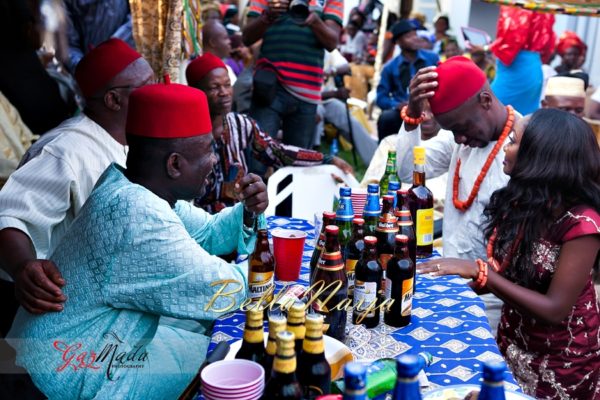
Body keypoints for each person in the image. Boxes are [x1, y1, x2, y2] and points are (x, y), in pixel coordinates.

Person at [8, 81, 267, 399]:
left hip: (70, 348)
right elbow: (225, 289)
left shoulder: (134, 189)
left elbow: (209, 232)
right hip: (55, 375)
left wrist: (249, 212)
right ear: (174, 165)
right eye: (209, 150)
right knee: (222, 360)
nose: (215, 161)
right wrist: (278, 275)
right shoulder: (137, 215)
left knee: (210, 342)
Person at [418, 109, 600, 399]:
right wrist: (450, 286)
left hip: (560, 362)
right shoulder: (527, 203)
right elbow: (507, 272)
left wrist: (483, 274)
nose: (505, 146)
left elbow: (555, 309)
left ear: (540, 157)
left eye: (514, 141)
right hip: (512, 341)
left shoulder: (582, 224)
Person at [0, 39, 154, 335]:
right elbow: (10, 215)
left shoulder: (131, 138)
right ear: (113, 100)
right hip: (67, 319)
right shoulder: (65, 151)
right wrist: (23, 267)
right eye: (146, 85)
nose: (156, 90)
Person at [396, 56, 518, 332]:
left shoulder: (523, 146)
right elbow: (406, 171)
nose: (459, 139)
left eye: (462, 129)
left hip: (494, 302)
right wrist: (413, 115)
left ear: (485, 100)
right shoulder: (460, 142)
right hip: (447, 285)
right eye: (452, 132)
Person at [186, 52, 352, 213]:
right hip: (197, 223)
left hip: (236, 221)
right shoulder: (185, 134)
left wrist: (327, 159)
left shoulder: (241, 124)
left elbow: (277, 153)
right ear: (196, 91)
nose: (224, 92)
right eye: (215, 87)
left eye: (227, 85)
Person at [242, 0, 343, 149]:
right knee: (257, 159)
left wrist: (315, 21)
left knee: (297, 163)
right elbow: (247, 37)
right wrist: (267, 16)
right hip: (269, 87)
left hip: (306, 92)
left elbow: (332, 42)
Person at [483, 6, 555, 116]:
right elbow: (548, 43)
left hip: (516, 69)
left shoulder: (518, 4)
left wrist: (486, 48)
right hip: (533, 65)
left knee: (488, 111)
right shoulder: (543, 4)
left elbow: (511, 40)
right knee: (522, 121)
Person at [376, 19, 439, 141]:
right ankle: (387, 154)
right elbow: (381, 98)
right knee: (386, 118)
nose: (415, 38)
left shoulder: (432, 58)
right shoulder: (390, 67)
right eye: (409, 36)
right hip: (404, 111)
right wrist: (397, 105)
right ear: (399, 42)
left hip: (431, 107)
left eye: (415, 34)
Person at [315, 49, 377, 165]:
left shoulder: (327, 48)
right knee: (316, 114)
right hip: (308, 101)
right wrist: (335, 93)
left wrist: (331, 71)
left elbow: (346, 66)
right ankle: (312, 159)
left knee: (350, 120)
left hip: (328, 100)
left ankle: (376, 163)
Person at [64, 0, 135, 71]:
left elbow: (139, 15)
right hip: (100, 71)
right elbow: (68, 46)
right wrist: (89, 72)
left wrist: (115, 44)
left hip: (136, 57)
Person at [202, 20, 236, 85]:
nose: (229, 42)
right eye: (225, 38)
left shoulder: (225, 68)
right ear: (212, 42)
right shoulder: (203, 71)